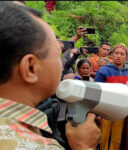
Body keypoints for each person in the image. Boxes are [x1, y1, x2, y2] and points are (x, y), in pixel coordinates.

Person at [0, 2, 101, 149]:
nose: (61, 62)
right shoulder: (37, 146)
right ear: (31, 67)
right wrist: (83, 147)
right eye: (56, 54)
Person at [94, 43, 128, 150]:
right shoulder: (103, 70)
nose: (119, 56)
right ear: (111, 55)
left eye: (122, 54)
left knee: (117, 138)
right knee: (102, 136)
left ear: (127, 56)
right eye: (116, 53)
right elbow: (96, 91)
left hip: (121, 109)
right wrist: (96, 112)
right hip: (105, 108)